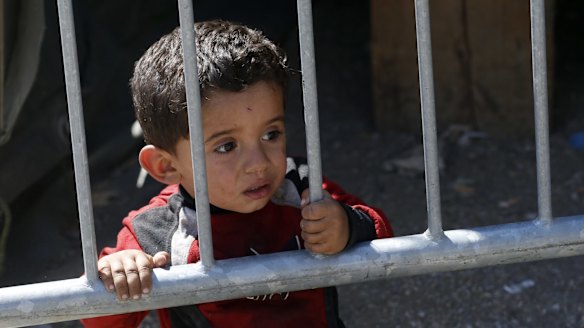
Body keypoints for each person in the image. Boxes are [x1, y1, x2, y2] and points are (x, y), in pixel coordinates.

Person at [81, 20, 392, 328]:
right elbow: (99, 320)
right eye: (226, 146)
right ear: (166, 166)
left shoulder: (300, 187)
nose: (258, 163)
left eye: (271, 134)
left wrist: (348, 226)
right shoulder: (153, 231)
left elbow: (382, 233)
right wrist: (119, 275)